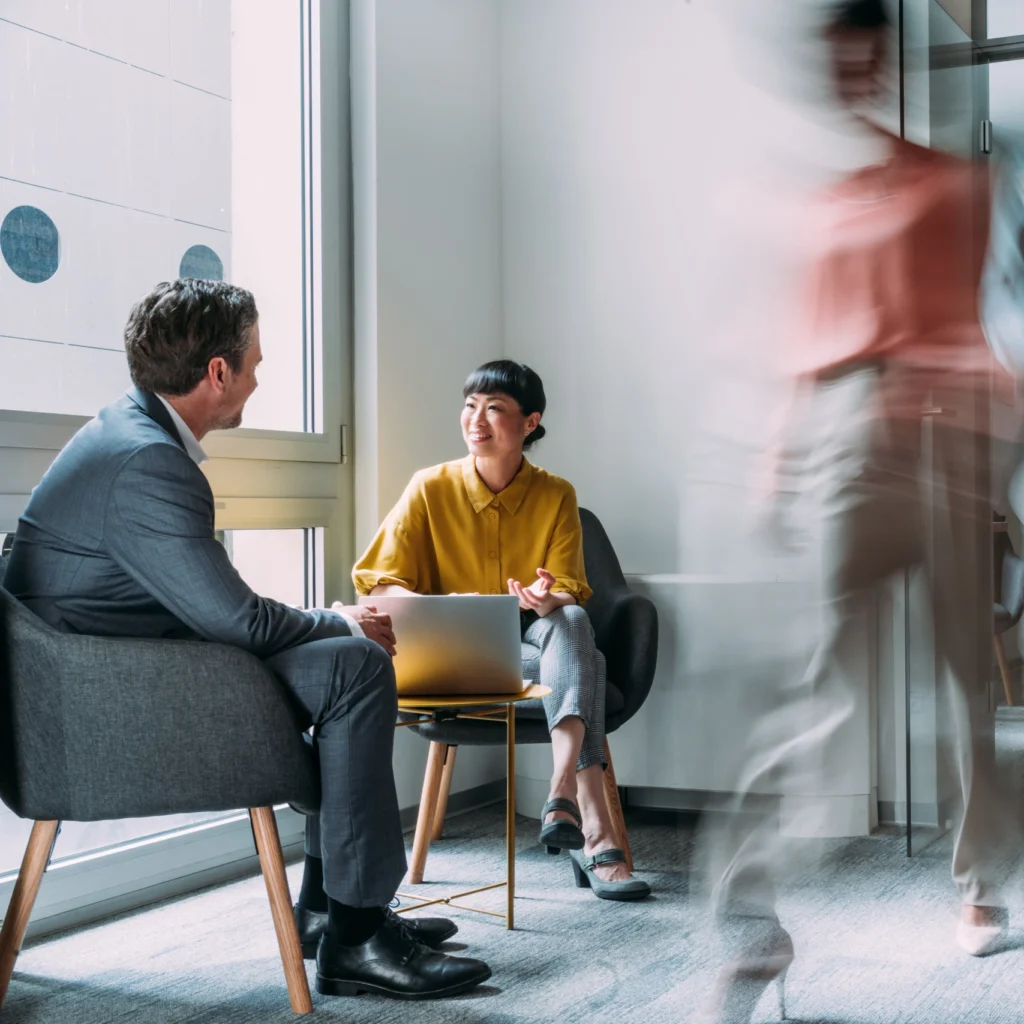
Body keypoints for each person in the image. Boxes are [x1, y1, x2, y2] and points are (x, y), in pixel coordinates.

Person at [3, 279, 492, 1001]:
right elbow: (236, 622)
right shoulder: (148, 462)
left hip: (111, 672)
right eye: (255, 363)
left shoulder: (126, 432)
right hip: (105, 703)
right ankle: (356, 935)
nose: (260, 377)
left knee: (347, 663)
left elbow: (215, 608)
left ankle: (333, 913)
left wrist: (332, 624)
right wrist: (341, 618)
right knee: (354, 663)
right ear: (218, 373)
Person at [700, 1, 1023, 1021]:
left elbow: (978, 319)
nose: (847, 74)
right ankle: (754, 919)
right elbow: (806, 350)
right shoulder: (820, 205)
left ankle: (977, 888)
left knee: (968, 683)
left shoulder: (958, 181)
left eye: (860, 57)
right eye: (833, 60)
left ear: (882, 61)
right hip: (860, 442)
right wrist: (776, 462)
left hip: (957, 440)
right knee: (824, 684)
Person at [353, 359, 650, 901]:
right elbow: (377, 587)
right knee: (589, 666)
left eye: (495, 408)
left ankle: (560, 788)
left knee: (575, 620)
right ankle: (592, 824)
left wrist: (545, 596)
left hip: (535, 637)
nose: (477, 419)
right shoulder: (428, 489)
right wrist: (443, 605)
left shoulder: (556, 493)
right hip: (459, 652)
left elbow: (569, 590)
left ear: (530, 422)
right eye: (470, 405)